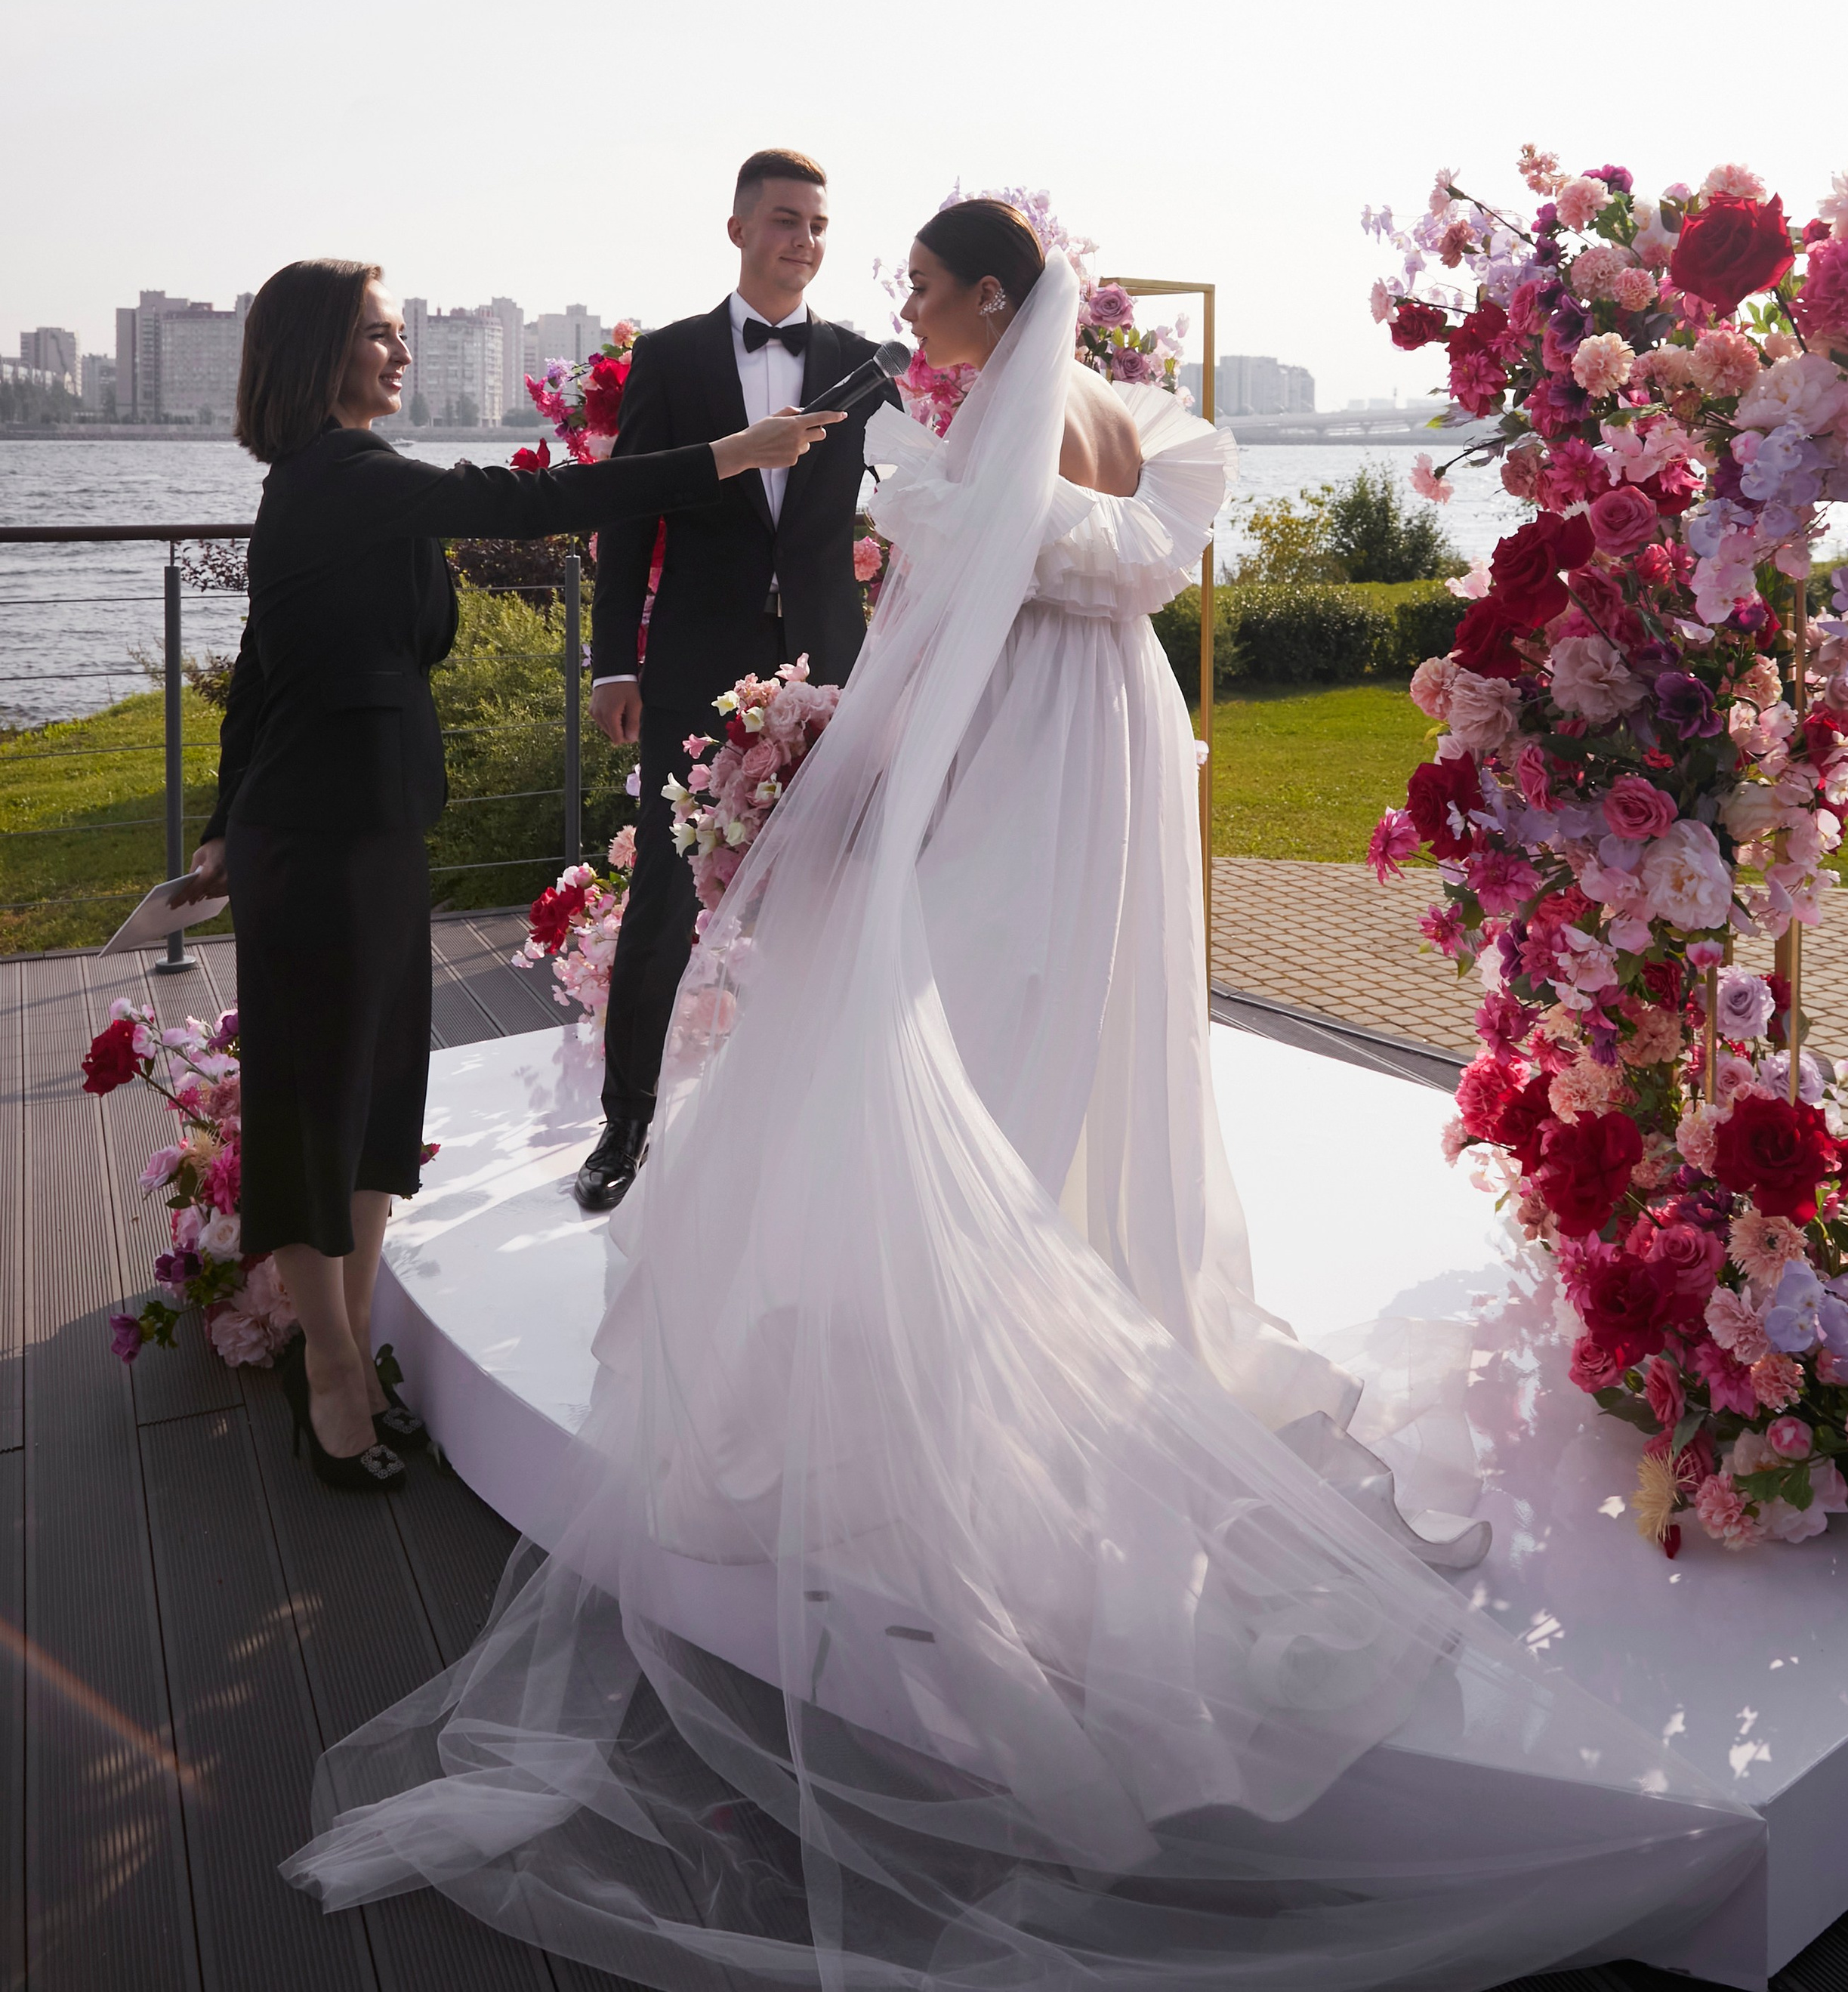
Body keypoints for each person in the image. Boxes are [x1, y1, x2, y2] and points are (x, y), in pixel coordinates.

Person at [285, 214, 1760, 1984]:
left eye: (917, 281)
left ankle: (983, 1315)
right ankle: (1084, 1264)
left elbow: (932, 643)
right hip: (1124, 740)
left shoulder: (961, 440)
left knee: (967, 1022)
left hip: (1023, 744)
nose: (896, 307)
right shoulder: (1145, 423)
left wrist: (835, 791)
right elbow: (1114, 571)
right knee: (1087, 1006)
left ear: (989, 297)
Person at [182, 259, 835, 1492]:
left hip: (367, 829)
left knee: (378, 1100)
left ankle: (350, 1350)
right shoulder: (342, 478)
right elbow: (535, 505)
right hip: (314, 838)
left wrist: (217, 821)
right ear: (320, 352)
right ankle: (328, 1378)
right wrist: (731, 455)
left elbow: (261, 667)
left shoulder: (328, 485)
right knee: (318, 1112)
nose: (402, 351)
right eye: (380, 334)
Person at [575, 144, 895, 1210]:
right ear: (738, 229)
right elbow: (628, 514)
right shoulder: (670, 358)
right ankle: (624, 1128)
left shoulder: (863, 361)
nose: (801, 241)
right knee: (664, 902)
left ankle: (819, 1133)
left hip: (827, 667)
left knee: (832, 894)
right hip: (693, 670)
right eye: (782, 221)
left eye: (815, 225)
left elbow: (930, 495)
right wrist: (613, 660)